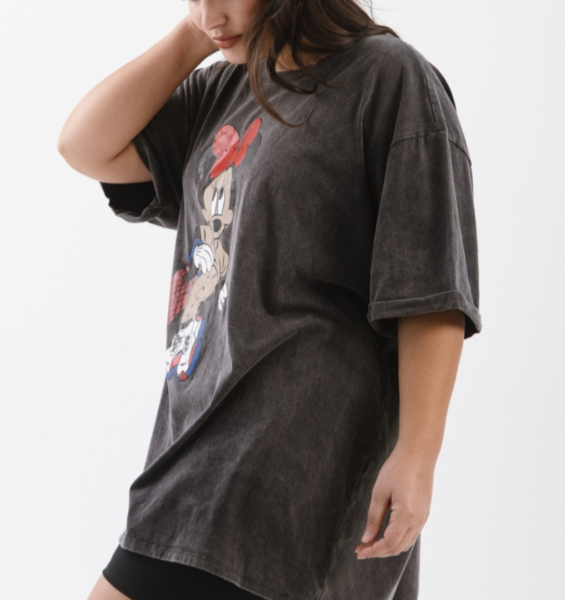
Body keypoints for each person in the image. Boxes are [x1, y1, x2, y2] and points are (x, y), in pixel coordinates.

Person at [57, 1, 482, 599]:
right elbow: (85, 145)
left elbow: (429, 285)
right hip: (189, 447)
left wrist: (418, 455)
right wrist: (193, 36)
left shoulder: (388, 78)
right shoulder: (222, 91)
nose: (210, 12)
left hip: (299, 457)